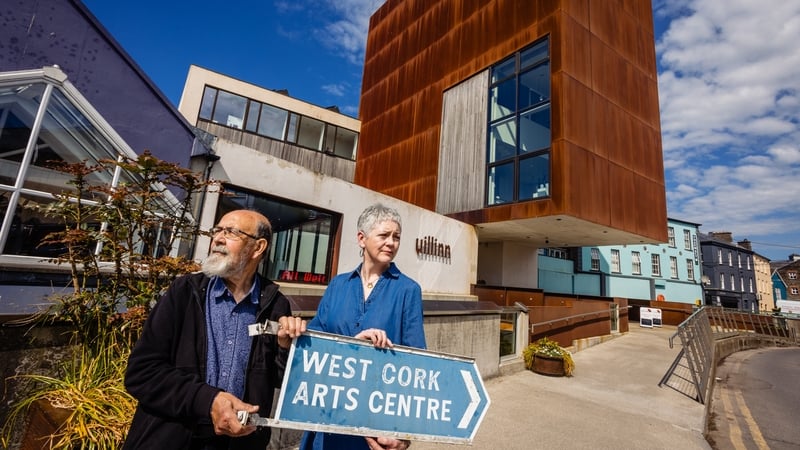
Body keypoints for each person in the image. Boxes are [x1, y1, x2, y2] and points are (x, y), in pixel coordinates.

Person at [123, 209, 306, 449]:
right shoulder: (184, 293)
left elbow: (279, 381)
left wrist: (285, 347)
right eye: (217, 230)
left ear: (258, 247)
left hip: (238, 443)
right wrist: (209, 401)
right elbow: (141, 373)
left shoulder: (274, 303)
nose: (218, 238)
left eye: (230, 232)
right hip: (173, 438)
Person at [300, 203, 425, 450]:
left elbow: (416, 362)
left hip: (375, 424)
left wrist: (404, 436)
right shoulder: (337, 285)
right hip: (328, 417)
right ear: (361, 238)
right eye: (384, 235)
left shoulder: (408, 290)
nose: (391, 242)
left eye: (396, 237)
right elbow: (313, 342)